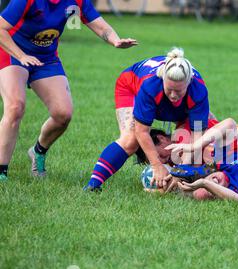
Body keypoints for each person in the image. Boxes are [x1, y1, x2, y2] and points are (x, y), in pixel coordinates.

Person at [0, 0, 137, 182]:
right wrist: (22, 56)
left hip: (46, 58)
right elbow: (1, 29)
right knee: (15, 107)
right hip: (12, 53)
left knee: (63, 114)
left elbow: (99, 25)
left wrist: (115, 40)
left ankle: (38, 151)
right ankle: (2, 172)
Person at [84, 48, 218, 191]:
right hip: (131, 87)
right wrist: (156, 165)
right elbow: (141, 132)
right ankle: (93, 185)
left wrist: (191, 174)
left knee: (200, 133)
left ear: (188, 83)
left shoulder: (198, 91)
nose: (173, 95)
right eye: (169, 89)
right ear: (163, 79)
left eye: (178, 91)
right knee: (130, 139)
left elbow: (197, 138)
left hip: (182, 102)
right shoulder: (150, 86)